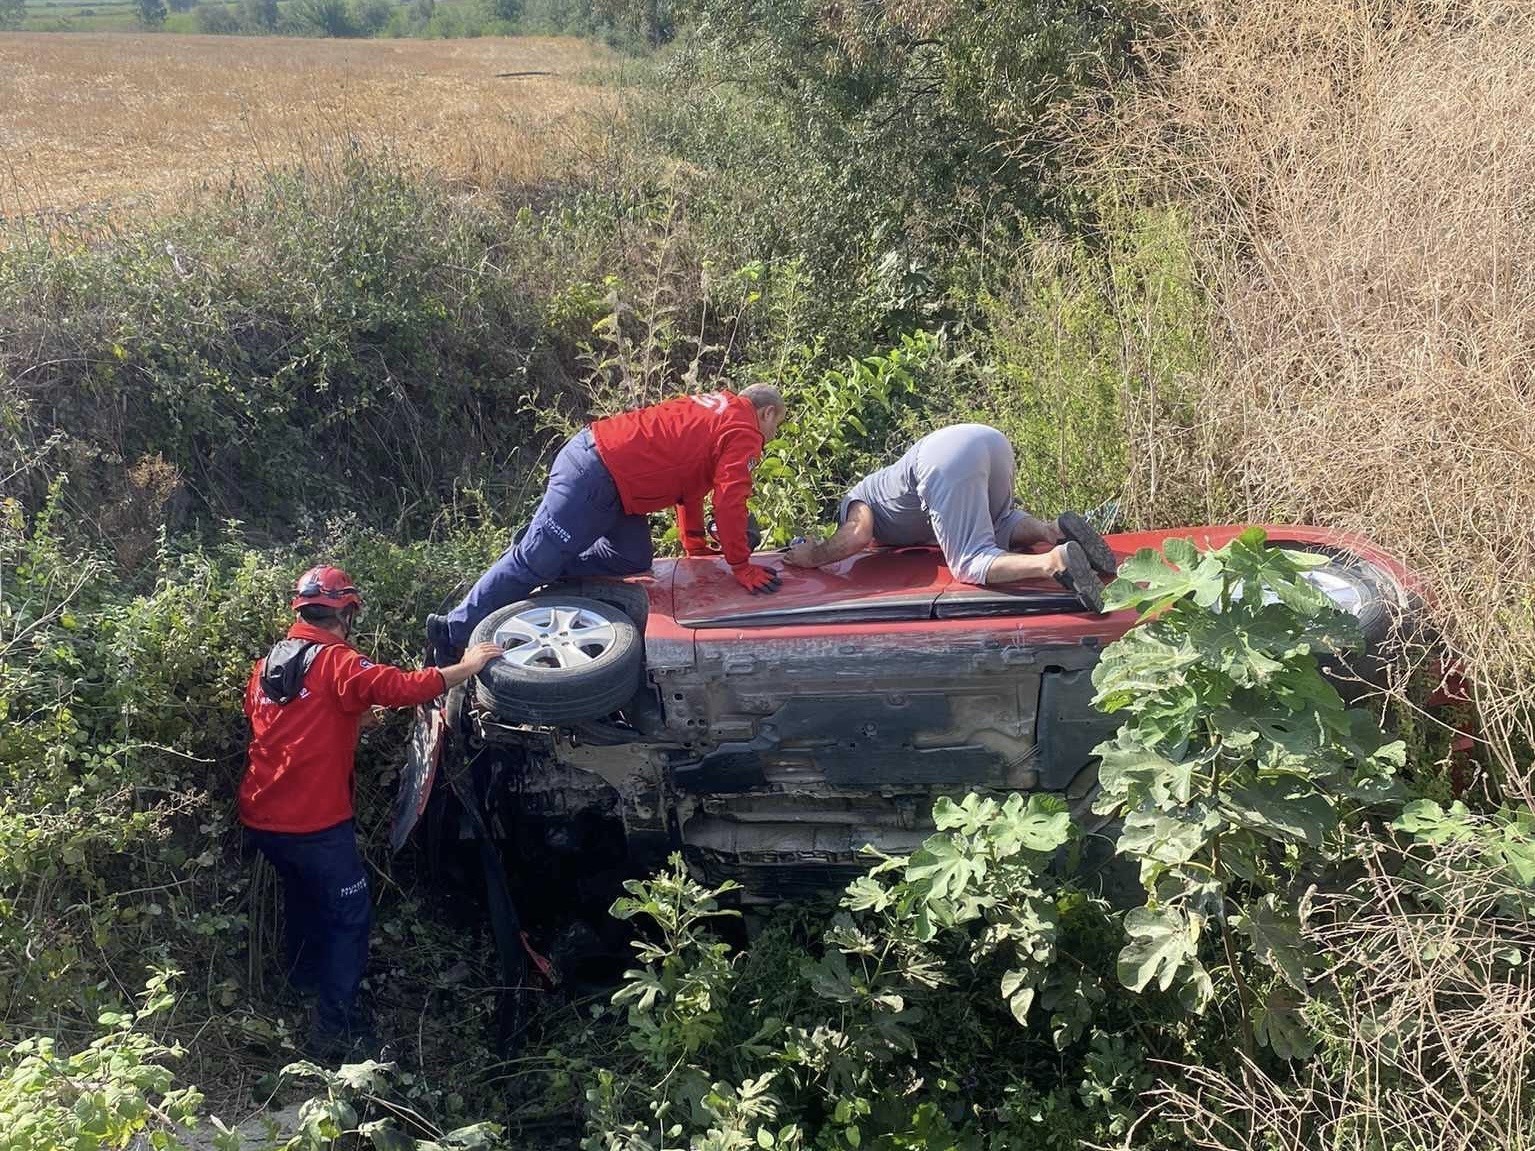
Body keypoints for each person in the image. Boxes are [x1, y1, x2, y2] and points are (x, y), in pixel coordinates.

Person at [240, 565, 503, 1059]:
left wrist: (352, 714)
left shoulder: (268, 664)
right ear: (347, 611)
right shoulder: (337, 661)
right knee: (350, 916)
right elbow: (403, 687)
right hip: (313, 823)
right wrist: (467, 666)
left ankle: (301, 980)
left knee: (302, 897)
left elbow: (285, 721)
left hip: (262, 814)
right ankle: (333, 1029)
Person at [428, 385, 789, 661]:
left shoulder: (719, 411)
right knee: (534, 563)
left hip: (617, 481)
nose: (772, 436)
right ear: (767, 412)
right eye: (778, 424)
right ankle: (450, 632)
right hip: (598, 472)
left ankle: (545, 555)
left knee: (630, 559)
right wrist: (740, 566)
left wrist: (694, 544)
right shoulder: (745, 429)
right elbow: (730, 500)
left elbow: (692, 488)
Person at [782, 423, 1117, 612]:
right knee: (1000, 522)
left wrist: (814, 555)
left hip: (943, 458)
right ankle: (1054, 529)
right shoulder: (892, 493)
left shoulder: (858, 498)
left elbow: (854, 535)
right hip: (988, 437)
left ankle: (1054, 561)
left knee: (970, 562)